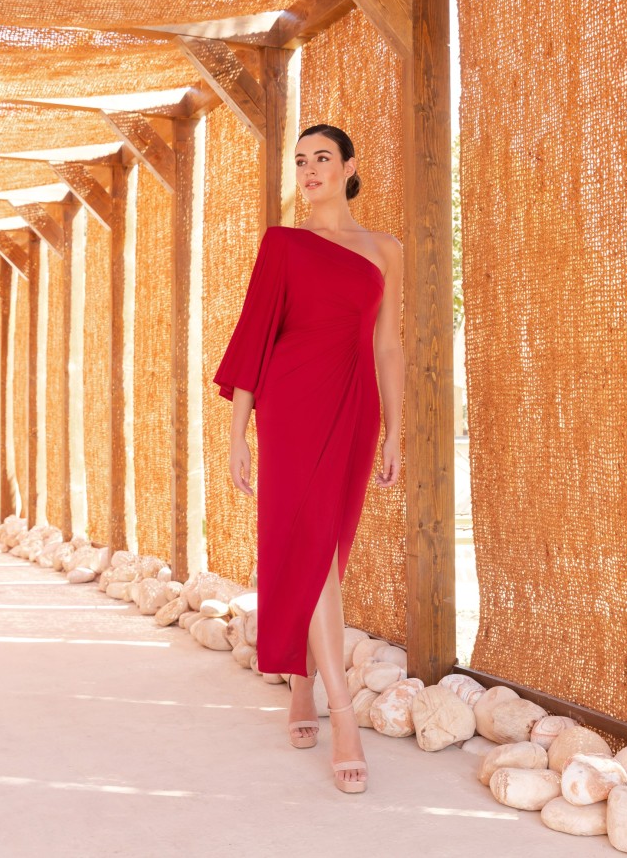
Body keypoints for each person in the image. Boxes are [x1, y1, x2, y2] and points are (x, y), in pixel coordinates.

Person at [213, 123, 404, 794]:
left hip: (354, 408)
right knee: (314, 550)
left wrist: (397, 431)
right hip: (292, 407)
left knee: (333, 546)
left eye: (322, 158)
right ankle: (342, 714)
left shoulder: (385, 249)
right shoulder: (283, 245)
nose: (310, 170)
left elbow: (388, 347)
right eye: (301, 161)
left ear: (350, 165)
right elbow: (254, 339)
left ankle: (301, 678)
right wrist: (238, 434)